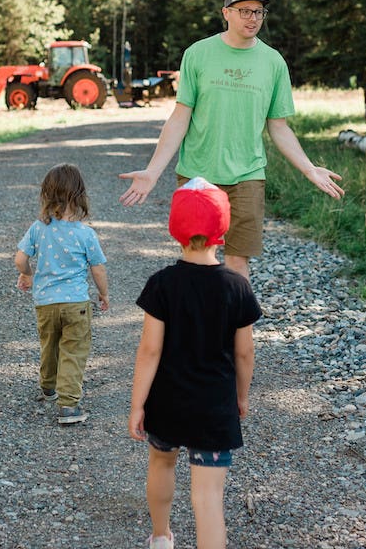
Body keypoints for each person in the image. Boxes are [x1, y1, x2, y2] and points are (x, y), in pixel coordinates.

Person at [119, 0, 344, 283]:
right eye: (245, 11)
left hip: (248, 176)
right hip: (198, 175)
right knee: (197, 260)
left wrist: (309, 169)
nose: (253, 18)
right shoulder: (198, 54)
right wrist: (153, 171)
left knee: (238, 264)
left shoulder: (273, 62)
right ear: (226, 12)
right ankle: (200, 327)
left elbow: (278, 126)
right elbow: (180, 117)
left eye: (259, 12)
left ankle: (238, 330)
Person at [129, 178, 262, 549]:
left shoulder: (162, 284)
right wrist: (242, 396)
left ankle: (160, 537)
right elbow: (244, 353)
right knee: (207, 498)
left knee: (161, 464)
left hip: (167, 404)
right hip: (214, 408)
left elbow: (149, 351)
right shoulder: (237, 287)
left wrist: (138, 403)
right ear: (223, 230)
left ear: (175, 230)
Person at [14, 163, 110, 426]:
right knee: (74, 350)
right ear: (79, 197)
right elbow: (98, 269)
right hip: (76, 303)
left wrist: (27, 274)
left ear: (47, 195)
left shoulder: (38, 228)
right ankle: (68, 405)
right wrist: (104, 294)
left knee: (50, 343)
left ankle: (48, 386)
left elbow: (20, 258)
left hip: (45, 302)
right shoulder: (85, 233)